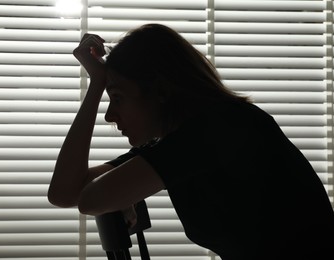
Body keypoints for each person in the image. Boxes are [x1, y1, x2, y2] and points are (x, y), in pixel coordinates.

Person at [48, 23, 334, 260]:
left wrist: (117, 193)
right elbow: (65, 192)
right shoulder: (178, 141)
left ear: (160, 91)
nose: (110, 116)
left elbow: (90, 199)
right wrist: (96, 83)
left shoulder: (220, 127)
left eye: (118, 98)